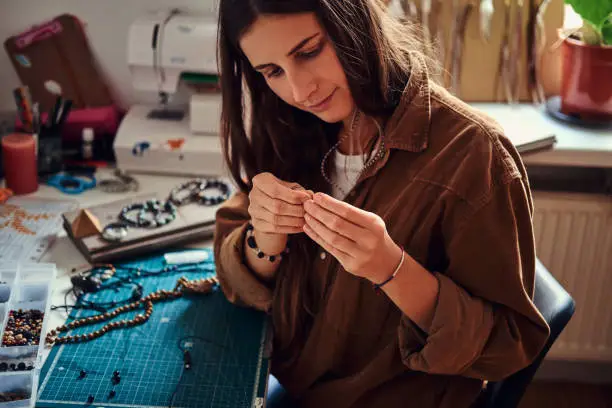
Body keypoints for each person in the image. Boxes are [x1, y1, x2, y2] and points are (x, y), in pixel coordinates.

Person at [213, 1, 550, 407]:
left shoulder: (475, 155)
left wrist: (392, 269)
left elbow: (507, 346)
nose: (300, 90)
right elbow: (230, 262)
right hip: (290, 385)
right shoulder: (287, 122)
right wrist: (263, 240)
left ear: (354, 20)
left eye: (309, 51)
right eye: (272, 71)